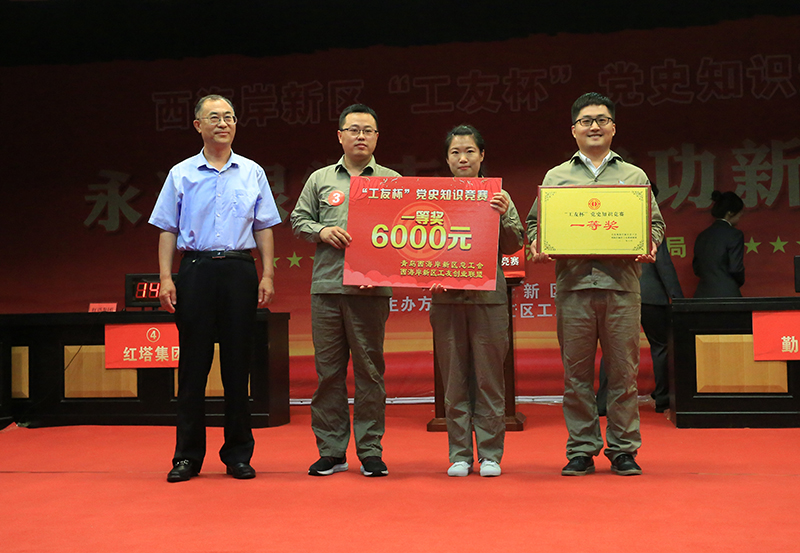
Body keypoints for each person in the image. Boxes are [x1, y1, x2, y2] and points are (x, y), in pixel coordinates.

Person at [526, 92, 665, 477]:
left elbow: (655, 224)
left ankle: (623, 450)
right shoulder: (556, 177)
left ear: (613, 128)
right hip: (574, 289)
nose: (594, 127)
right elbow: (535, 224)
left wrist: (650, 243)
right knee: (576, 377)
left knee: (623, 374)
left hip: (622, 288)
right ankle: (582, 449)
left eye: (602, 120)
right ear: (573, 130)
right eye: (586, 121)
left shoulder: (634, 176)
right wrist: (537, 244)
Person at [149, 94, 281, 482]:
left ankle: (238, 454)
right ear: (198, 125)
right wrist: (166, 277)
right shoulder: (181, 173)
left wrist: (268, 274)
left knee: (238, 366)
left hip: (240, 269)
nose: (223, 123)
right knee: (193, 366)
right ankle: (187, 457)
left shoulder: (252, 172)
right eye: (214, 118)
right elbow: (167, 229)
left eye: (229, 117)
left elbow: (264, 226)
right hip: (196, 270)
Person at [290, 104, 400, 478]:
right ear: (340, 136)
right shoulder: (320, 179)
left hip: (371, 290)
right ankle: (332, 451)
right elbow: (298, 220)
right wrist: (321, 231)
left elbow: (403, 235)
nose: (360, 136)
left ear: (377, 137)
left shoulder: (392, 181)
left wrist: (382, 270)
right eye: (353, 129)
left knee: (370, 373)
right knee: (329, 374)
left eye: (368, 130)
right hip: (327, 288)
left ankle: (370, 450)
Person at [430, 125, 524, 478]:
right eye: (455, 152)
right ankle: (459, 454)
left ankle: (489, 454)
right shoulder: (433, 197)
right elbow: (421, 248)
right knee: (454, 379)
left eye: (469, 151)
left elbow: (514, 244)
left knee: (489, 379)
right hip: (446, 300)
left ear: (482, 155)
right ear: (447, 159)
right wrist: (426, 276)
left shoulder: (498, 195)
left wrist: (503, 214)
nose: (463, 158)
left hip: (488, 299)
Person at [596, 184, 684, 415]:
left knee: (611, 349)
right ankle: (663, 399)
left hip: (619, 292)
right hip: (652, 296)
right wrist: (678, 298)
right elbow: (663, 265)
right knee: (661, 346)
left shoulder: (611, 222)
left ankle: (602, 403)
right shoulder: (651, 226)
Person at [692, 190, 745, 298]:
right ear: (730, 212)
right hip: (727, 294)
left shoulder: (702, 235)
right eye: (740, 212)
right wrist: (734, 283)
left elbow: (697, 268)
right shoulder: (735, 234)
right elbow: (735, 268)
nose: (741, 215)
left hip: (702, 295)